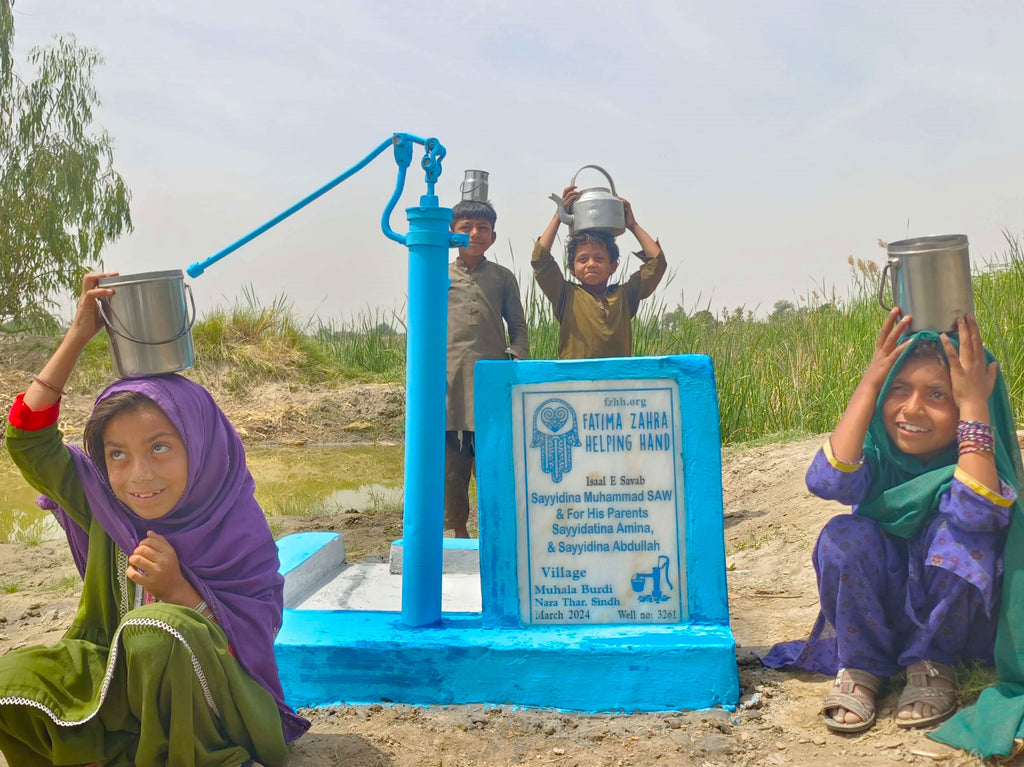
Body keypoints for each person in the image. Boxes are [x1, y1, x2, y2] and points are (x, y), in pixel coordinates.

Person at [0, 272, 310, 766]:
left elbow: (253, 641)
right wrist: (78, 334)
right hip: (125, 698)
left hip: (221, 711)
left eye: (160, 448)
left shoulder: (236, 529)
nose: (139, 476)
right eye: (117, 454)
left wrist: (179, 592)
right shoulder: (106, 504)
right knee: (13, 680)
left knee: (155, 628)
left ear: (201, 446)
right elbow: (28, 440)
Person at [762, 309, 1023, 735]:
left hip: (951, 632)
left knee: (958, 534)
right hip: (875, 618)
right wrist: (870, 382)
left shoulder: (974, 464)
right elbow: (826, 480)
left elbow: (976, 513)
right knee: (841, 536)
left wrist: (975, 402)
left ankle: (932, 665)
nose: (912, 409)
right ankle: (863, 665)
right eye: (898, 390)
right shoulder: (879, 455)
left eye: (939, 395)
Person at [446, 200, 529, 538]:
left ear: (493, 237)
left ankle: (495, 534)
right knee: (452, 468)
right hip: (449, 384)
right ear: (452, 234)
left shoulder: (502, 278)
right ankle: (458, 532)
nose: (475, 234)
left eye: (482, 228)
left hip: (492, 384)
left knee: (494, 463)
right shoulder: (439, 275)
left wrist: (514, 358)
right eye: (466, 227)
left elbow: (519, 329)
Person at [532, 186, 666, 359]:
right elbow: (540, 259)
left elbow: (657, 262)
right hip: (576, 382)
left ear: (613, 266)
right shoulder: (565, 295)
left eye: (599, 258)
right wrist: (559, 215)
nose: (591, 264)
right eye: (582, 259)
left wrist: (633, 225)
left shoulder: (625, 295)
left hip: (618, 382)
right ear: (572, 269)